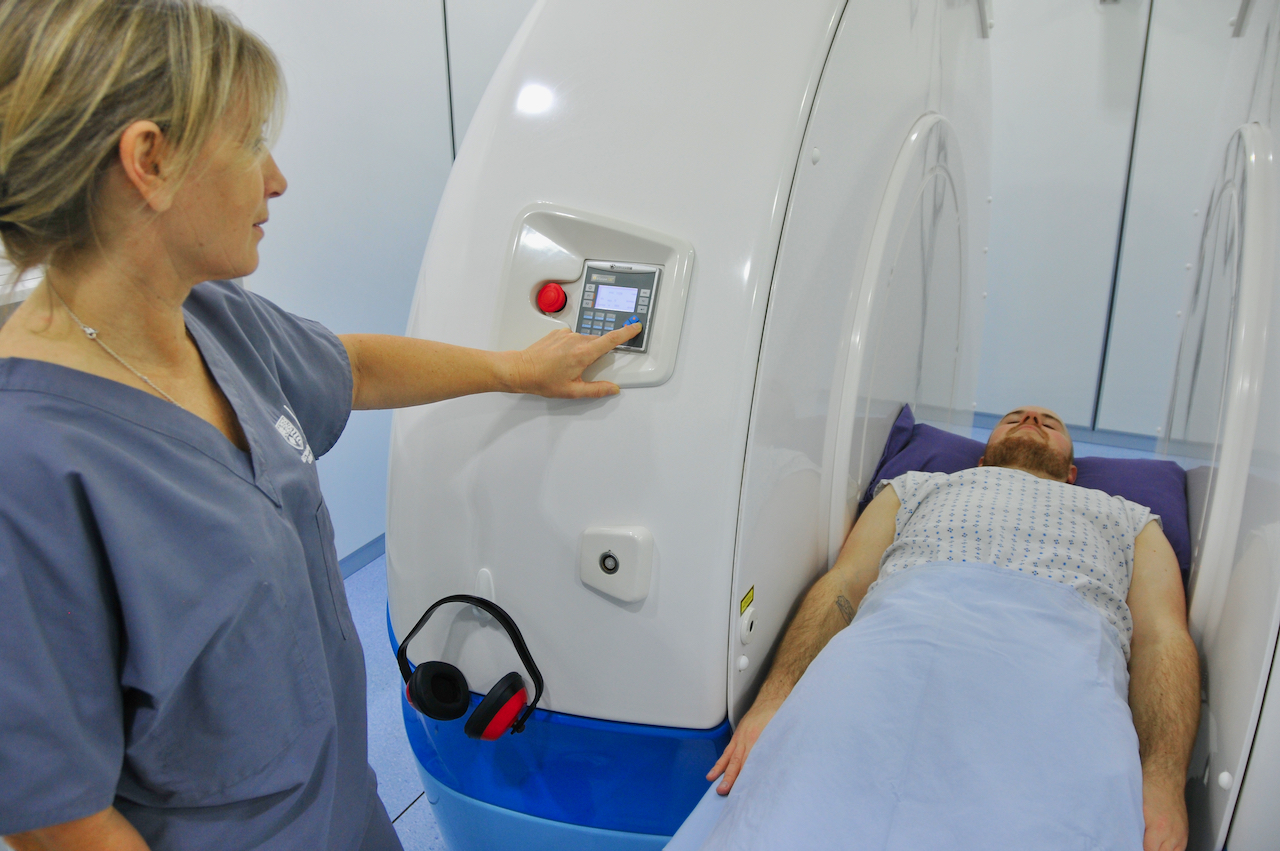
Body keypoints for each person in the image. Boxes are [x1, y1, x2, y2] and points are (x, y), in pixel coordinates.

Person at [0, 1, 640, 849]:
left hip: (343, 810)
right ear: (149, 160)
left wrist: (513, 370)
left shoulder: (211, 318)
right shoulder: (29, 458)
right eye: (248, 142)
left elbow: (353, 367)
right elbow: (58, 815)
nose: (276, 178)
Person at [699, 406, 1199, 851]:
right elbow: (844, 584)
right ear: (980, 462)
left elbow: (1164, 638)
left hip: (1060, 669)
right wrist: (773, 701)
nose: (1031, 421)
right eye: (1015, 417)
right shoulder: (919, 485)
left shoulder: (1130, 518)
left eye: (1050, 423)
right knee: (803, 803)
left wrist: (1163, 780)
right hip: (899, 642)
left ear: (1073, 473)